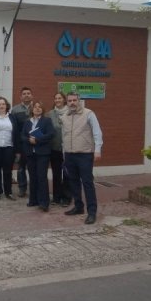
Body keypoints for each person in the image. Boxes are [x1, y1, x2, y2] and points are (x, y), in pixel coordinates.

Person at [61, 92, 103, 225]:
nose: (72, 103)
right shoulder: (64, 117)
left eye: (74, 100)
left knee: (87, 183)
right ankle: (78, 207)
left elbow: (97, 132)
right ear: (66, 103)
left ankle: (92, 212)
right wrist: (64, 154)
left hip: (85, 154)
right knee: (73, 182)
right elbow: (64, 137)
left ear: (79, 101)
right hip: (69, 154)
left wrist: (97, 150)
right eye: (69, 101)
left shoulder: (88, 113)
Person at [22, 100, 55, 212]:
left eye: (39, 107)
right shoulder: (27, 122)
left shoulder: (47, 121)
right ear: (32, 109)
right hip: (31, 153)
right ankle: (33, 200)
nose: (37, 108)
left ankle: (44, 202)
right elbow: (22, 136)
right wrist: (29, 139)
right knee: (32, 177)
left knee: (42, 177)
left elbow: (51, 134)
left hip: (42, 153)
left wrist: (37, 139)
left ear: (42, 109)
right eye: (35, 107)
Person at [46, 92, 72, 206]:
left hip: (68, 149)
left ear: (64, 100)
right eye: (56, 98)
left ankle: (66, 198)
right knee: (56, 174)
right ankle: (56, 197)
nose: (57, 100)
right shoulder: (50, 114)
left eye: (60, 98)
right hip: (54, 148)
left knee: (67, 174)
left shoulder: (71, 112)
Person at [10, 87, 33, 198]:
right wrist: (16, 146)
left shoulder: (37, 107)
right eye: (24, 93)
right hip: (21, 144)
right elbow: (14, 129)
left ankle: (34, 188)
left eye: (28, 93)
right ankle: (22, 189)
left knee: (34, 167)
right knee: (21, 168)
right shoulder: (15, 110)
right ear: (21, 96)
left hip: (35, 143)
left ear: (31, 95)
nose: (26, 95)